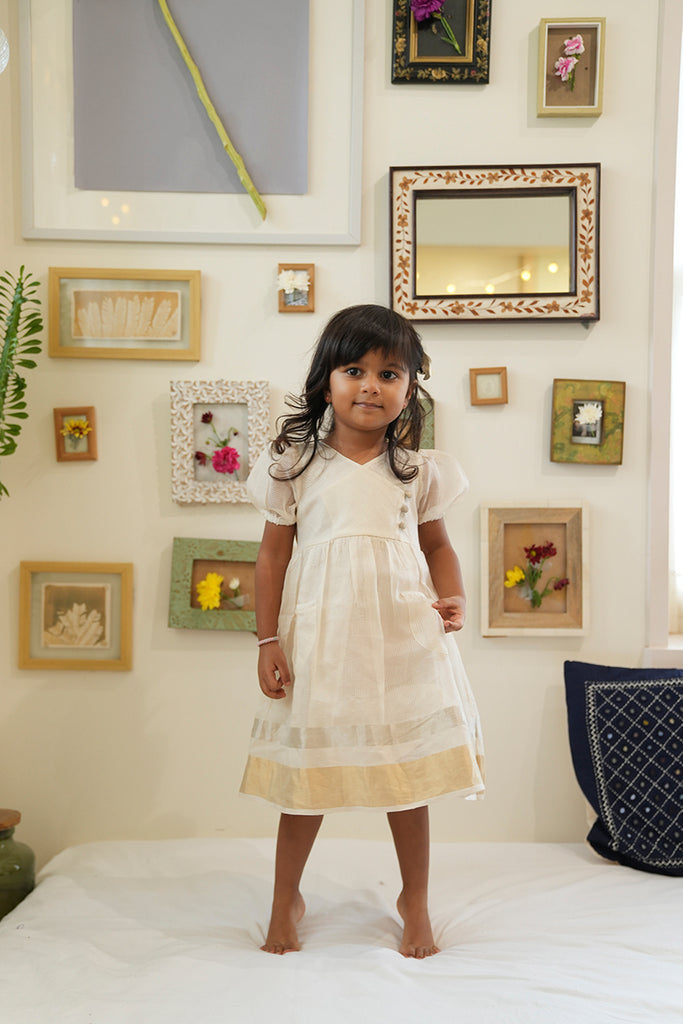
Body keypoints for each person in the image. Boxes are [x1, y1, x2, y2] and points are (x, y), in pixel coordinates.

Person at [240, 304, 484, 958]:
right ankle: (283, 897)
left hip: (402, 637)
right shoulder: (294, 464)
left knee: (405, 776)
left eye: (389, 372)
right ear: (328, 381)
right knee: (307, 778)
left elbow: (436, 548)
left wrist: (452, 595)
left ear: (410, 388)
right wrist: (267, 640)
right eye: (355, 370)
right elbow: (271, 557)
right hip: (321, 640)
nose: (371, 385)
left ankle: (415, 901)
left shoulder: (416, 469)